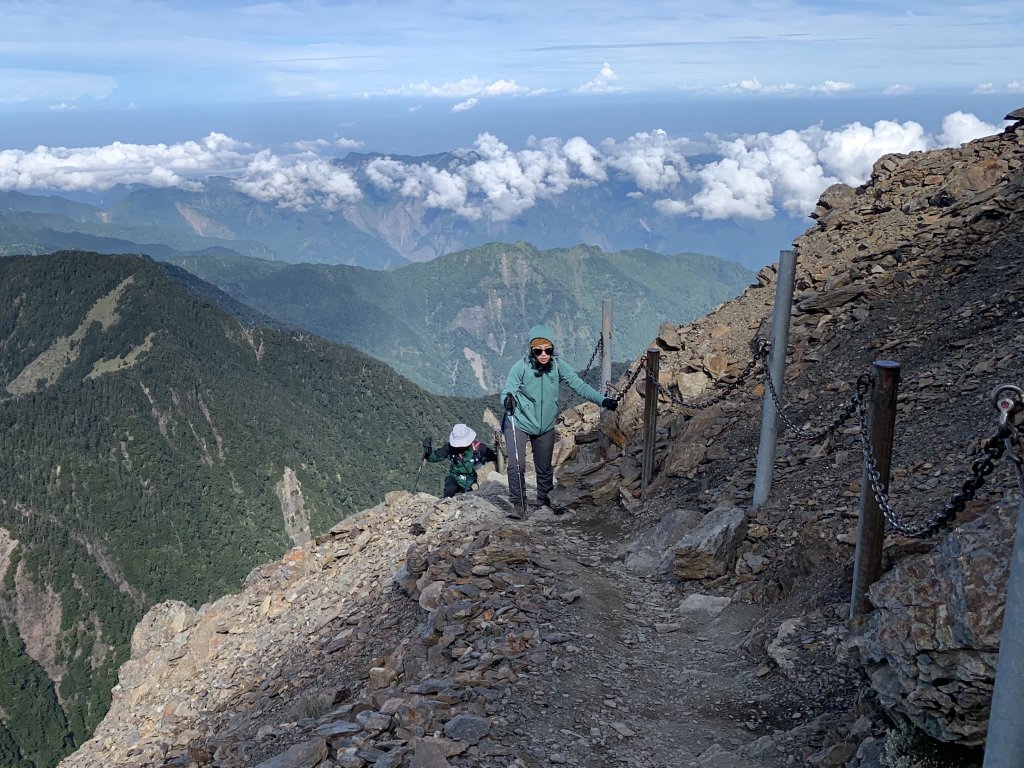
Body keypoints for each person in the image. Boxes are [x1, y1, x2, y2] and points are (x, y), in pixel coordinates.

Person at [499, 323, 617, 519]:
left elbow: (579, 386)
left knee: (544, 466)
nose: (543, 354)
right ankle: (519, 506)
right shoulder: (520, 367)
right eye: (538, 350)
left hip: (544, 425)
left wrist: (603, 400)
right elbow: (507, 390)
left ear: (553, 349)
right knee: (516, 464)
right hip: (518, 421)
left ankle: (544, 500)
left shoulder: (558, 366)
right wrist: (507, 401)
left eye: (548, 349)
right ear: (531, 350)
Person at [423, 423, 498, 498]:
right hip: (456, 477)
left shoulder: (480, 449)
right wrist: (428, 452)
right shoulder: (449, 448)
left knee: (471, 497)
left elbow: (494, 459)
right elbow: (436, 457)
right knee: (449, 490)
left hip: (473, 480)